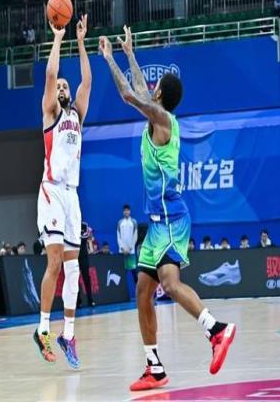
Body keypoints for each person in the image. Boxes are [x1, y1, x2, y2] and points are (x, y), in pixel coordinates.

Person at [99, 26, 235, 391]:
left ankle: (216, 330)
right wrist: (130, 53)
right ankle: (154, 367)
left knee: (171, 284)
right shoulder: (157, 116)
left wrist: (110, 58)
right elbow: (141, 92)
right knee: (143, 289)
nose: (151, 88)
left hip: (172, 219)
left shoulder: (162, 121)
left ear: (160, 94)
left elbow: (129, 94)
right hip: (157, 223)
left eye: (155, 86)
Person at [34, 14, 91, 369]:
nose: (63, 88)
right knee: (54, 262)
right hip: (52, 192)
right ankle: (42, 329)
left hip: (73, 196)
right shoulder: (50, 112)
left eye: (65, 87)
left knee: (73, 271)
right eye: (59, 86)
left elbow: (87, 81)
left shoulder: (78, 115)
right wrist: (58, 37)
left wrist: (81, 42)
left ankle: (67, 334)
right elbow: (51, 74)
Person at [117, 204, 138, 284]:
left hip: (131, 252)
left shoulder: (134, 222)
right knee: (122, 274)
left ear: (130, 211)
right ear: (123, 212)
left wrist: (130, 248)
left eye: (127, 210)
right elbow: (118, 237)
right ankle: (120, 290)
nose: (126, 212)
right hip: (122, 252)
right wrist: (122, 248)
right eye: (125, 211)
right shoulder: (120, 222)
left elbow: (135, 236)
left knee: (134, 273)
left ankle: (138, 291)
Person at [77, 222, 95, 307]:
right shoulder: (71, 225)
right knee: (75, 279)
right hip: (74, 256)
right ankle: (78, 301)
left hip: (84, 256)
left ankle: (90, 300)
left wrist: (78, 236)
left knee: (86, 278)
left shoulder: (84, 225)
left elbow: (88, 235)